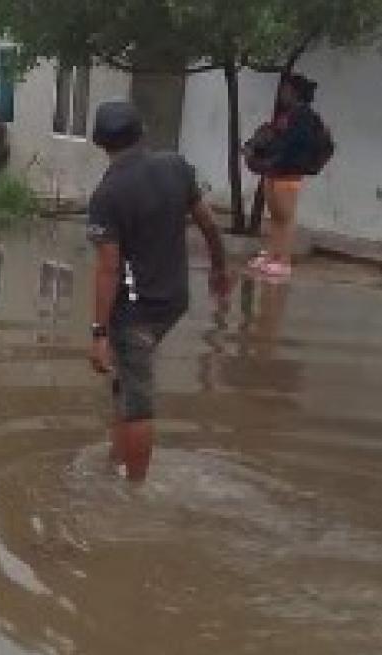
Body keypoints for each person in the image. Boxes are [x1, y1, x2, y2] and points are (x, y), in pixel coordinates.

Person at [87, 101, 230, 482]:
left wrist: (99, 333)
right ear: (142, 132)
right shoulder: (175, 166)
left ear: (101, 143)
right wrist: (219, 267)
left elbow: (108, 268)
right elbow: (208, 223)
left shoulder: (108, 194)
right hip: (174, 300)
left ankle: (134, 494)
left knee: (137, 401)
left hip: (135, 310)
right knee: (127, 380)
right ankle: (116, 463)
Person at [244, 74, 323, 280]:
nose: (282, 93)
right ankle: (271, 255)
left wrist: (276, 155)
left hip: (289, 173)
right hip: (275, 171)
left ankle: (284, 260)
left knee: (285, 217)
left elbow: (294, 145)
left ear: (296, 92)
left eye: (286, 90)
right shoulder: (287, 114)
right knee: (276, 216)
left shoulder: (304, 116)